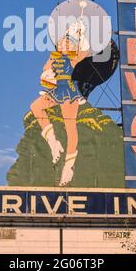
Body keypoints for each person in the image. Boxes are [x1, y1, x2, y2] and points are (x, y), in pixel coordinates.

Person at [30, 22, 89, 186]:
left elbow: (85, 55)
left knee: (70, 127)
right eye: (62, 40)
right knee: (36, 107)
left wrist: (80, 34)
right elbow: (45, 71)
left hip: (70, 92)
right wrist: (47, 75)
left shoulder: (77, 55)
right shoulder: (54, 55)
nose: (64, 43)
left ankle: (68, 167)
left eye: (68, 41)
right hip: (57, 90)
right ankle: (53, 142)